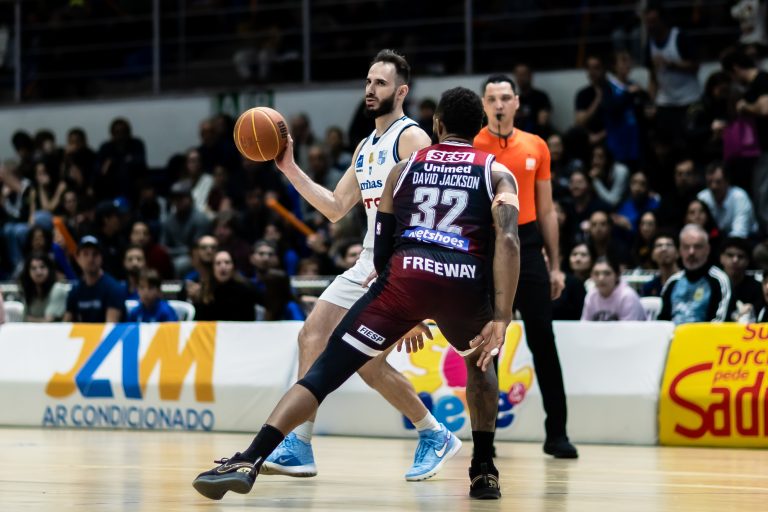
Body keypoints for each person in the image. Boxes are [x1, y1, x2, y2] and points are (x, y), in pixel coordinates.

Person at [192, 85, 521, 501]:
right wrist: (502, 315)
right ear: (479, 128)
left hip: (405, 278)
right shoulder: (497, 172)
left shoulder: (402, 169)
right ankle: (483, 471)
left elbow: (382, 244)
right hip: (462, 281)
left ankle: (250, 458)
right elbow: (508, 240)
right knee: (480, 363)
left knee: (323, 371)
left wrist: (401, 306)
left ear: (437, 124)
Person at [263, 49, 453, 482]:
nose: (370, 89)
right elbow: (335, 207)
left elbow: (428, 219)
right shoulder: (366, 146)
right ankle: (299, 445)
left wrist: (413, 299)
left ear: (401, 92)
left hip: (399, 264)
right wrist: (289, 168)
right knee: (311, 336)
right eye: (368, 82)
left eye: (380, 83)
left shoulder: (412, 138)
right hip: (367, 261)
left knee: (368, 363)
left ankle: (434, 433)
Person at [474, 74, 577, 458]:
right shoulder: (473, 145)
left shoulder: (536, 145)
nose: (499, 105)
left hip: (529, 244)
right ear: (483, 104)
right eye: (492, 99)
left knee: (543, 340)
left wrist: (556, 265)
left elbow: (547, 210)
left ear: (517, 102)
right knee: (488, 344)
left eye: (505, 97)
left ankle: (558, 434)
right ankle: (485, 440)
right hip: (487, 245)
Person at [658, 224, 731, 325]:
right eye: (686, 247)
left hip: (705, 335)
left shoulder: (719, 280)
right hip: (674, 334)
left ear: (707, 249)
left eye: (697, 247)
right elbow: (661, 322)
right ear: (680, 250)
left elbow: (720, 323)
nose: (691, 252)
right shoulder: (672, 282)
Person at [63, 236, 126, 323]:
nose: (90, 259)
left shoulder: (113, 288)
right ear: (78, 258)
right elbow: (67, 323)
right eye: (85, 254)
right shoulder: (75, 289)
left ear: (101, 258)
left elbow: (111, 326)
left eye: (95, 254)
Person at [194, 250, 261, 321]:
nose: (223, 266)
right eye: (218, 263)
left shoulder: (246, 290)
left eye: (227, 262)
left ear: (233, 266)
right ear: (212, 268)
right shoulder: (204, 291)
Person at [696, 162, 758, 239]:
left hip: (748, 239)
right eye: (709, 182)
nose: (713, 186)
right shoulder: (702, 198)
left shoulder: (739, 197)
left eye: (718, 182)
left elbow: (739, 233)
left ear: (727, 181)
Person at [581, 257, 645, 321]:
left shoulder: (628, 296)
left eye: (607, 273)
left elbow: (629, 327)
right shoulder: (591, 295)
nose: (601, 278)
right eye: (596, 274)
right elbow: (585, 324)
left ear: (617, 275)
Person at [719, 237, 763, 322]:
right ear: (721, 258)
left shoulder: (757, 287)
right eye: (730, 255)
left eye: (741, 256)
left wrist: (752, 309)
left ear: (748, 261)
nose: (735, 260)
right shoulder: (714, 284)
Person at [19, 252, 68, 322]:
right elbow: (23, 320)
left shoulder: (57, 290)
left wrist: (30, 319)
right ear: (28, 272)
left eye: (42, 267)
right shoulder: (30, 292)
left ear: (49, 269)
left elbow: (47, 322)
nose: (38, 272)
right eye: (33, 268)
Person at [641, 231, 680, 297]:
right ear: (652, 255)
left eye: (669, 245)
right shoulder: (648, 287)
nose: (664, 249)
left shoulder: (687, 282)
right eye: (659, 245)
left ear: (678, 253)